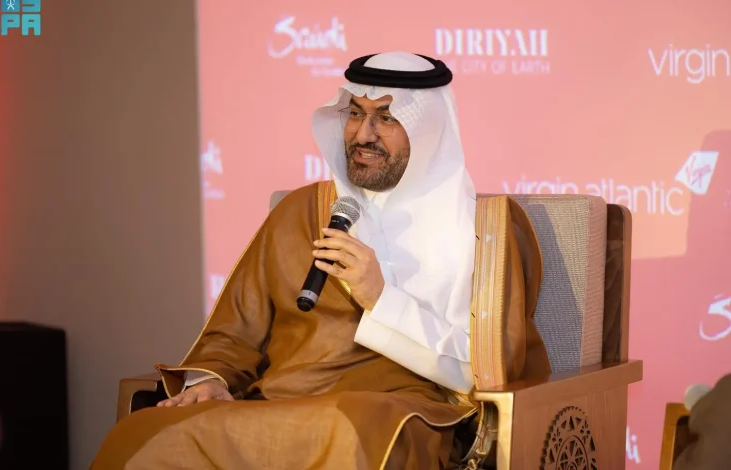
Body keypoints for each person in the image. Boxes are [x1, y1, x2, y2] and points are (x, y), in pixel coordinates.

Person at [91, 52, 550, 469]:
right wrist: (213, 381)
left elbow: (490, 369)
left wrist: (381, 298)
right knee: (145, 433)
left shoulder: (484, 231)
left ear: (428, 130)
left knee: (351, 432)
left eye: (386, 118)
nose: (363, 135)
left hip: (397, 407)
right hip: (278, 404)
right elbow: (235, 330)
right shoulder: (302, 211)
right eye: (356, 114)